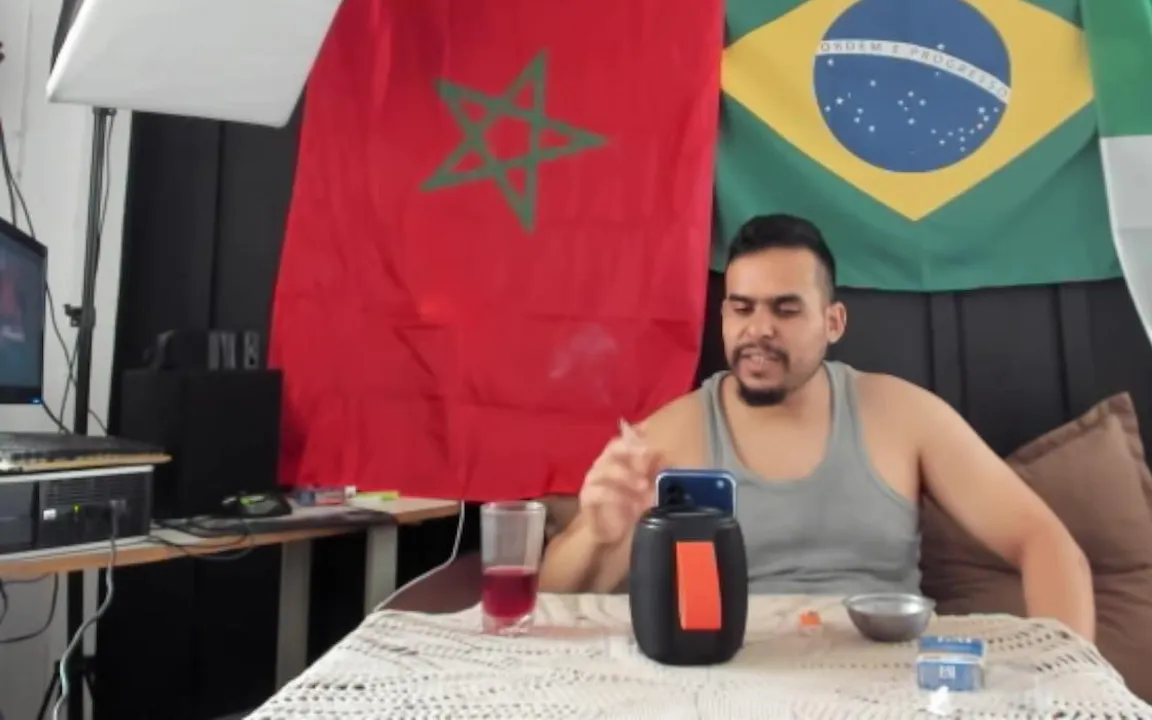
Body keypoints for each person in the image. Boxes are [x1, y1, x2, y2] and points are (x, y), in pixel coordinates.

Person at [538, 214, 1095, 640]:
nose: (759, 329)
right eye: (742, 308)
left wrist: (1065, 677)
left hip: (886, 683)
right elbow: (551, 601)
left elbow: (1044, 542)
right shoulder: (673, 434)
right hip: (735, 683)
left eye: (785, 310)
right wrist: (596, 533)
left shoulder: (902, 414)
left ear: (833, 322)